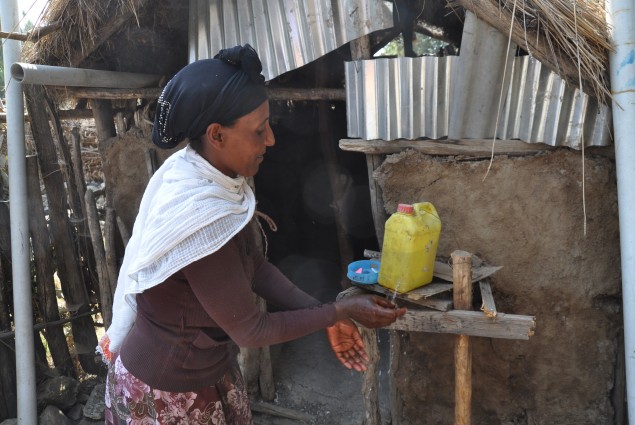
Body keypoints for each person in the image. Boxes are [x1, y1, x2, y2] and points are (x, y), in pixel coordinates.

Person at [98, 44, 406, 425]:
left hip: (208, 373)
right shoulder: (201, 215)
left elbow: (255, 268)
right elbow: (251, 328)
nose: (272, 139)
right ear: (217, 135)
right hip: (167, 394)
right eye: (259, 130)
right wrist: (338, 311)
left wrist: (324, 314)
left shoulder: (217, 182)